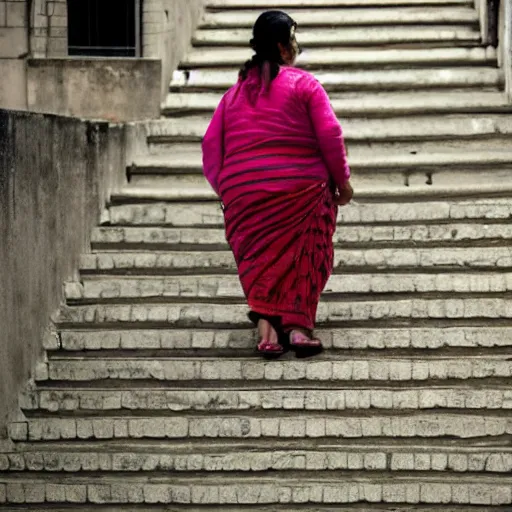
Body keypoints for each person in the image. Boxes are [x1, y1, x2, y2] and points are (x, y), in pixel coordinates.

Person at [202, 10, 353, 359]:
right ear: (284, 48)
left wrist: (230, 191)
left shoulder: (233, 96)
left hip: (244, 195)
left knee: (263, 260)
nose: (296, 47)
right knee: (304, 254)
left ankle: (268, 331)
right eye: (294, 40)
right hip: (301, 189)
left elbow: (211, 149)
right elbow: (330, 135)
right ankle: (298, 330)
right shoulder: (304, 85)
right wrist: (342, 183)